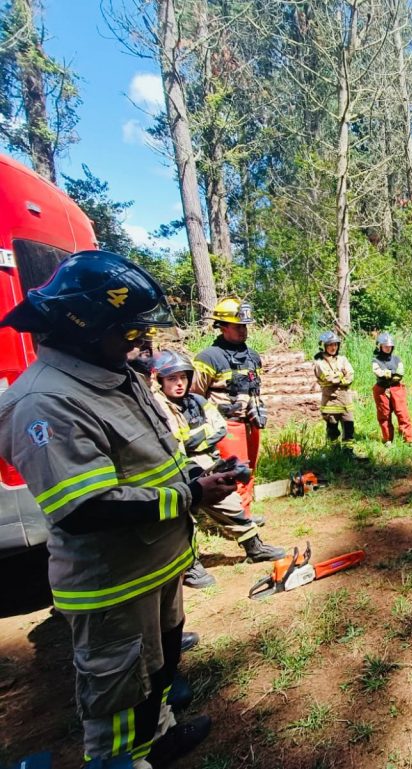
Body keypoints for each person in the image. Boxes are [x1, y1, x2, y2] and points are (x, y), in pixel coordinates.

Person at [0, 251, 237, 767]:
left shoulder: (114, 373)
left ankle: (162, 738)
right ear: (84, 329)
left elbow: (147, 460)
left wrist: (197, 478)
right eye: (128, 333)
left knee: (159, 670)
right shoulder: (45, 402)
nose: (140, 344)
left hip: (157, 564)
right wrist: (191, 497)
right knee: (121, 694)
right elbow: (84, 508)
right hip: (113, 583)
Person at [153, 350, 285, 583]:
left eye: (183, 377)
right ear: (161, 381)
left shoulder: (197, 401)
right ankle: (191, 566)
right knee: (184, 518)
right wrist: (197, 438)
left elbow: (218, 428)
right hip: (176, 466)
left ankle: (254, 548)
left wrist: (195, 439)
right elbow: (174, 441)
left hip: (206, 460)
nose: (179, 383)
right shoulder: (158, 407)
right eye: (172, 378)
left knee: (230, 501)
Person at [191, 297, 266, 523]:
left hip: (251, 422)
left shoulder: (252, 355)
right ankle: (237, 519)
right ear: (222, 326)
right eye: (238, 326)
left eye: (245, 326)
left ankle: (246, 513)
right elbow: (195, 395)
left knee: (249, 469)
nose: (243, 331)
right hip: (227, 425)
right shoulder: (208, 358)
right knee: (235, 470)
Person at [312, 330, 356, 448]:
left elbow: (351, 375)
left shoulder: (343, 359)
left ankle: (348, 453)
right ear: (323, 346)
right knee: (332, 429)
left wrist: (340, 377)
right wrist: (342, 375)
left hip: (346, 401)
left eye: (335, 344)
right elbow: (328, 378)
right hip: (330, 401)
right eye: (330, 345)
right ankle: (334, 453)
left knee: (349, 427)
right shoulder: (319, 363)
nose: (333, 347)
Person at [371, 332, 412, 443]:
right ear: (380, 346)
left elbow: (400, 373)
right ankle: (388, 439)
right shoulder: (376, 361)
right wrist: (390, 374)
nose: (388, 348)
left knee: (402, 413)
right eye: (385, 346)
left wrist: (389, 373)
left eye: (390, 346)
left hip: (396, 389)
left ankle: (409, 439)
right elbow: (379, 373)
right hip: (381, 389)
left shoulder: (396, 359)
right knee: (384, 415)